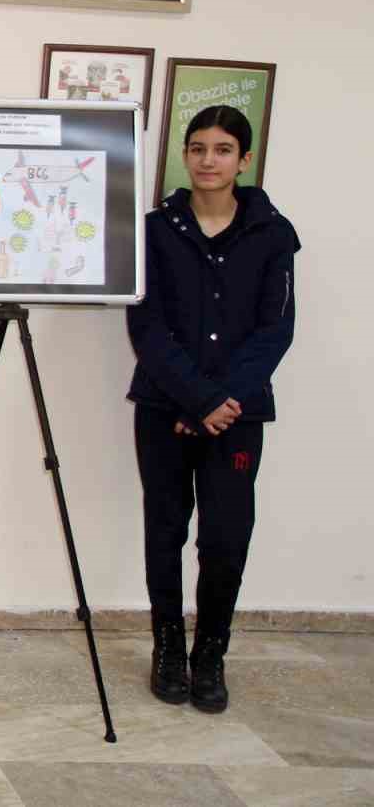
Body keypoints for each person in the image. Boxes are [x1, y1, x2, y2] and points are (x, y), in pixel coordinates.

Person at [127, 104, 299, 714]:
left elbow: (275, 329)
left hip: (239, 415)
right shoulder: (152, 229)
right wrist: (196, 398)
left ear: (243, 160)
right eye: (198, 148)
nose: (208, 160)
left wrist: (222, 402)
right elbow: (146, 326)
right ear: (185, 155)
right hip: (163, 408)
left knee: (225, 539)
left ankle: (211, 654)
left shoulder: (273, 234)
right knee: (166, 530)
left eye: (222, 149)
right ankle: (169, 648)